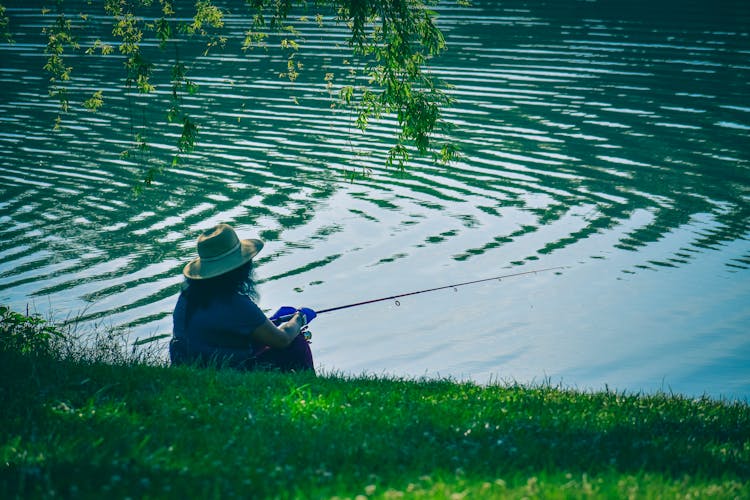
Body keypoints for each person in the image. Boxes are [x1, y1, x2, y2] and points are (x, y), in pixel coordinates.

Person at [169, 223, 315, 372]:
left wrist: (268, 323)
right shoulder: (236, 303)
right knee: (297, 344)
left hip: (190, 364)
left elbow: (222, 329)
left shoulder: (187, 296)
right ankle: (311, 387)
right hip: (227, 370)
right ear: (239, 268)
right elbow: (282, 340)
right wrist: (299, 317)